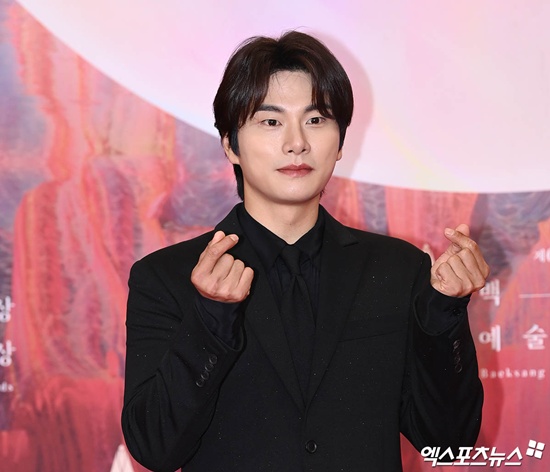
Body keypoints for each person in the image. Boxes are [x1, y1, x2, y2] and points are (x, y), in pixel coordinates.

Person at [121, 31, 488, 472]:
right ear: (230, 145)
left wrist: (444, 313)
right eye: (270, 122)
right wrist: (211, 319)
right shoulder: (167, 277)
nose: (296, 142)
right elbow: (154, 449)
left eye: (316, 120)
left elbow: (449, 443)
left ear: (341, 142)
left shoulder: (397, 269)